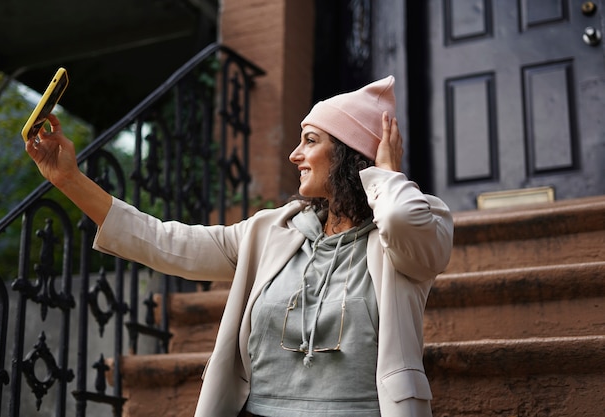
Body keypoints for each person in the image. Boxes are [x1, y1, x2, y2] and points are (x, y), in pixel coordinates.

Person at [26, 75, 453, 417]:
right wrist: (69, 180)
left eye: (310, 139)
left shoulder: (415, 229)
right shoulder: (270, 231)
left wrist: (386, 173)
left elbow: (398, 217)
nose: (293, 154)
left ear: (349, 154)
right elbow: (165, 241)